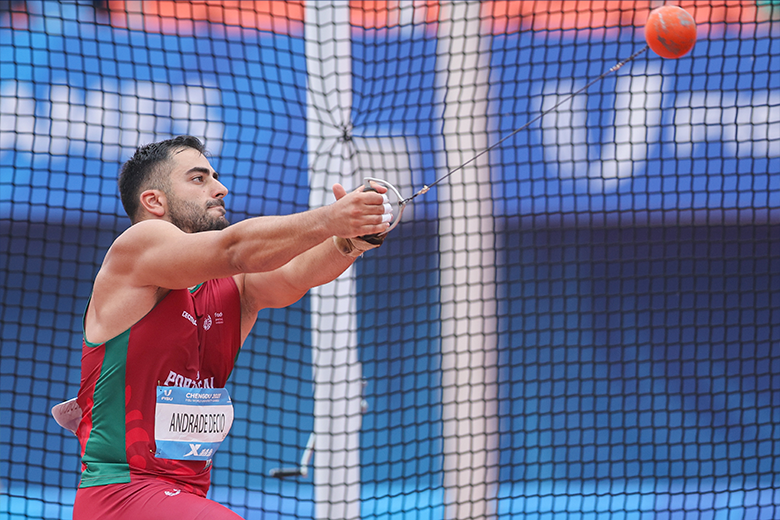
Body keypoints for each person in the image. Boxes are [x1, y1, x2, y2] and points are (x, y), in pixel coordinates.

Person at [63, 135, 392, 519]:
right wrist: (328, 218)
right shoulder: (138, 245)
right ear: (154, 201)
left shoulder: (232, 287)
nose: (221, 188)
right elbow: (232, 249)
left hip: (185, 495)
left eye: (215, 176)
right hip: (123, 495)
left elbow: (295, 276)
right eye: (199, 178)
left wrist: (348, 241)